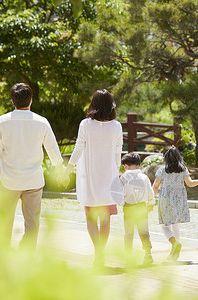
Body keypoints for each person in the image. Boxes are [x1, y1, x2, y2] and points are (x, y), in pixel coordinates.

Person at [0, 83, 63, 251]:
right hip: (33, 180)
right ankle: (27, 254)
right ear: (31, 100)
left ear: (12, 100)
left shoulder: (2, 121)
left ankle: (2, 255)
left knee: (4, 220)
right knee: (32, 222)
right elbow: (53, 150)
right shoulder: (42, 122)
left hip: (9, 180)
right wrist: (61, 171)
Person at [59, 89, 123, 267]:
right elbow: (118, 153)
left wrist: (67, 171)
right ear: (111, 106)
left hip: (90, 177)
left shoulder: (86, 124)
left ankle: (98, 254)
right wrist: (116, 171)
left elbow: (78, 149)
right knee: (105, 218)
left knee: (90, 217)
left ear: (93, 104)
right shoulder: (116, 126)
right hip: (109, 176)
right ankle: (101, 253)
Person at [152, 147, 198, 261]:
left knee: (165, 226)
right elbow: (190, 183)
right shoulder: (183, 169)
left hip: (165, 200)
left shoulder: (162, 170)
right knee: (176, 227)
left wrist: (150, 198)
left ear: (165, 159)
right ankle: (173, 254)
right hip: (180, 200)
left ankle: (174, 244)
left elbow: (156, 186)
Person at [120, 152, 155, 265]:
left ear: (125, 165)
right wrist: (151, 203)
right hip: (142, 207)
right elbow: (150, 191)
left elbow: (121, 192)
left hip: (129, 208)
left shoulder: (124, 177)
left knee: (129, 233)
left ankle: (128, 256)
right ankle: (148, 253)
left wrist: (121, 202)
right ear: (139, 165)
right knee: (144, 231)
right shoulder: (144, 177)